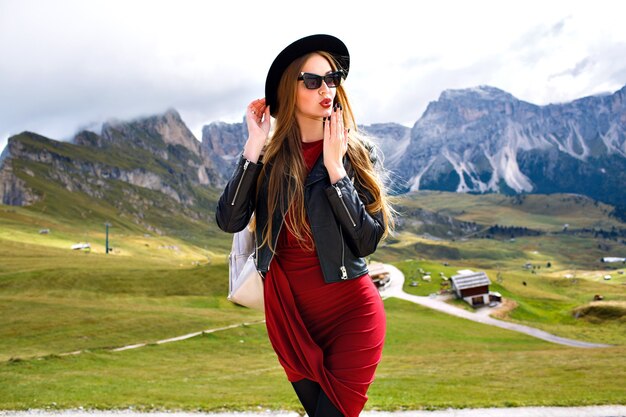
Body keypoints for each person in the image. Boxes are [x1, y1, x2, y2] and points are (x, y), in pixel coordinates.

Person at [216, 34, 394, 417]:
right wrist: (254, 146)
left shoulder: (355, 153)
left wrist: (335, 171)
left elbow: (367, 240)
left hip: (352, 315)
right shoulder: (268, 159)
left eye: (332, 79)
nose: (325, 89)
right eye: (312, 81)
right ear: (289, 89)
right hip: (290, 319)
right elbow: (229, 219)